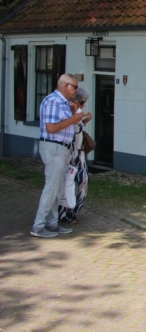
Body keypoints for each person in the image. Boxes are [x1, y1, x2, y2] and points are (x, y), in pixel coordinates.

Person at [31, 74, 86, 238]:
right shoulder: (53, 101)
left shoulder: (63, 103)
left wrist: (73, 115)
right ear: (65, 85)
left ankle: (52, 223)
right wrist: (73, 118)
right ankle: (38, 226)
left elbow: (64, 125)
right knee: (51, 187)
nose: (76, 91)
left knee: (56, 187)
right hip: (54, 147)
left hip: (62, 148)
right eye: (75, 87)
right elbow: (51, 128)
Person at [58, 88, 92, 224]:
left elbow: (78, 131)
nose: (83, 105)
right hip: (69, 154)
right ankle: (63, 212)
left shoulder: (78, 114)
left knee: (84, 181)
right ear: (74, 101)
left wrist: (84, 122)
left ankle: (74, 210)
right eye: (82, 102)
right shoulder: (67, 113)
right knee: (66, 182)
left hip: (79, 153)